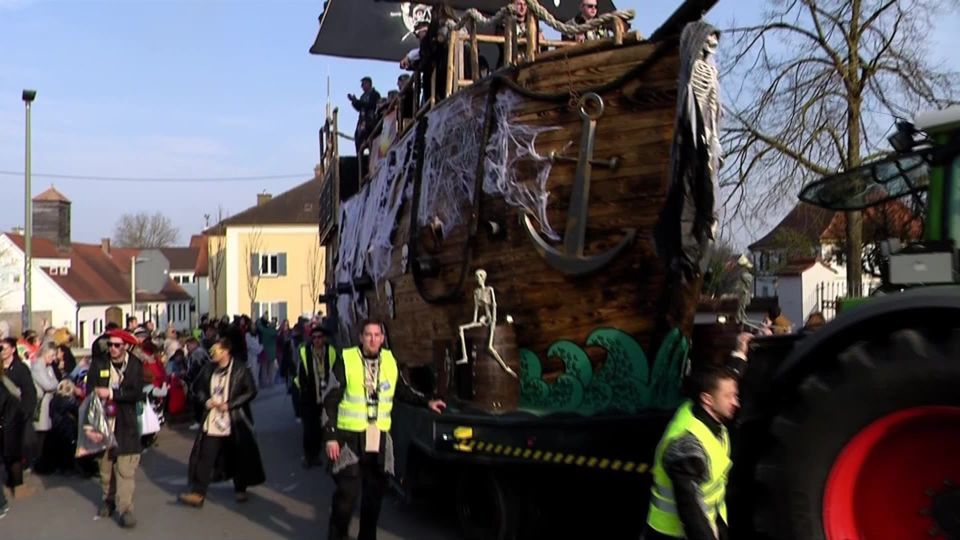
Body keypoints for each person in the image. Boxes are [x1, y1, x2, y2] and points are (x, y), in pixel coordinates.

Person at [324, 319, 447, 540]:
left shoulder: (390, 360)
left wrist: (427, 402)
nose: (372, 339)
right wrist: (331, 436)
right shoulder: (346, 359)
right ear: (360, 337)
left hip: (378, 438)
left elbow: (403, 391)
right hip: (348, 438)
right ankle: (337, 534)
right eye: (368, 335)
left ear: (382, 338)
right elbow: (330, 400)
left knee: (373, 495)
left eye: (377, 335)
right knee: (347, 494)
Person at [643, 334, 751, 540]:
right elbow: (692, 513)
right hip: (672, 534)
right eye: (730, 397)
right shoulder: (687, 446)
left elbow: (728, 379)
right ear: (707, 400)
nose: (736, 403)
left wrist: (740, 350)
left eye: (735, 395)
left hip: (711, 520)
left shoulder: (706, 409)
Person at [178, 339, 265, 507]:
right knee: (206, 455)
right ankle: (198, 492)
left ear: (226, 352)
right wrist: (206, 401)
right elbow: (197, 388)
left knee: (238, 454)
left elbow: (251, 391)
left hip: (234, 419)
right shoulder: (209, 368)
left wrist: (230, 404)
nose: (212, 354)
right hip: (213, 418)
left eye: (216, 351)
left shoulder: (240, 368)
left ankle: (241, 488)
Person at [86, 329, 144, 528]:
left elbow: (135, 393)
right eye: (110, 344)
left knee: (126, 468)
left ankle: (126, 508)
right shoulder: (99, 363)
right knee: (105, 467)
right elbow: (90, 390)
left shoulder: (135, 365)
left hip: (126, 423)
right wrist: (96, 394)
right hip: (104, 422)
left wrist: (111, 392)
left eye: (117, 345)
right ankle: (108, 499)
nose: (112, 348)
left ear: (126, 346)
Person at [294, 325, 337, 468]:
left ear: (324, 338)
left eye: (320, 337)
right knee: (309, 428)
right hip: (310, 395)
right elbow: (299, 373)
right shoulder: (304, 352)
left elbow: (335, 371)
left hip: (326, 395)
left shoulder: (330, 351)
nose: (317, 340)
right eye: (314, 338)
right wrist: (303, 390)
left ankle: (317, 455)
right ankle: (309, 456)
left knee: (320, 428)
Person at [2, 338, 35, 499]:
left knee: (14, 453)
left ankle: (18, 486)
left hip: (15, 415)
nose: (2, 350)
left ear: (13, 349)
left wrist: (25, 412)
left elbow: (30, 392)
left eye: (4, 348)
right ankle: (9, 482)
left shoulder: (21, 369)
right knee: (5, 453)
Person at [349, 77, 382, 158]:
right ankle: (360, 157)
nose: (362, 86)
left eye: (363, 84)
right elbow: (359, 108)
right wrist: (354, 101)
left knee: (371, 138)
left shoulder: (375, 94)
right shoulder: (363, 96)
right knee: (358, 138)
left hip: (371, 120)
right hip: (362, 121)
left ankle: (372, 156)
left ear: (368, 83)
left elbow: (371, 105)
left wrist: (359, 102)